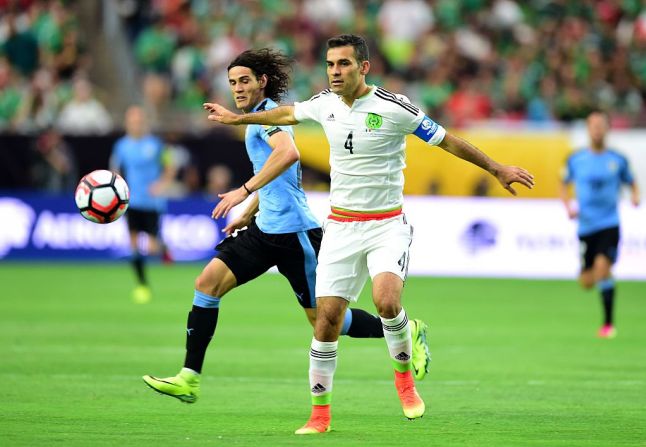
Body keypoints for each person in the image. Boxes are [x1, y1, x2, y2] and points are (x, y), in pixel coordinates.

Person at [204, 34, 535, 434]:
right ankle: (319, 416)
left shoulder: (394, 108)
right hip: (341, 226)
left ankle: (405, 386)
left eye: (343, 64)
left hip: (386, 225)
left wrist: (497, 168)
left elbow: (448, 141)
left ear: (363, 67)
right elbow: (285, 114)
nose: (335, 71)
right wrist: (238, 119)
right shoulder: (324, 103)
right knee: (326, 320)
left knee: (386, 300)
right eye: (329, 64)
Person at [142, 48, 432, 405]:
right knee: (206, 284)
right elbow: (279, 177)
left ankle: (406, 329)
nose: (237, 88)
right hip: (264, 230)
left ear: (262, 82)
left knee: (327, 323)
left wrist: (242, 191)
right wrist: (250, 211)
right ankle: (189, 379)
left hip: (296, 235)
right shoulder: (253, 119)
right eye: (232, 82)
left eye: (245, 81)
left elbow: (288, 155)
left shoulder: (268, 117)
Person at [560, 111, 640, 339]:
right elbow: (563, 184)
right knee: (587, 281)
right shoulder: (576, 159)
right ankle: (599, 278)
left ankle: (607, 324)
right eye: (593, 126)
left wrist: (635, 196)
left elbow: (632, 182)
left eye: (601, 126)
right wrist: (568, 206)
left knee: (603, 269)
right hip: (586, 226)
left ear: (607, 129)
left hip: (609, 223)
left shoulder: (617, 159)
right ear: (588, 129)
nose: (597, 130)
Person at [110, 105, 175, 303]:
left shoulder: (156, 145)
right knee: (134, 243)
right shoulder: (121, 146)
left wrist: (161, 184)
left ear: (144, 123)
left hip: (152, 202)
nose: (136, 124)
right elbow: (114, 170)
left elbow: (170, 166)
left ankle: (164, 249)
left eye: (139, 121)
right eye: (132, 121)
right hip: (131, 201)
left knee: (153, 247)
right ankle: (142, 285)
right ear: (127, 124)